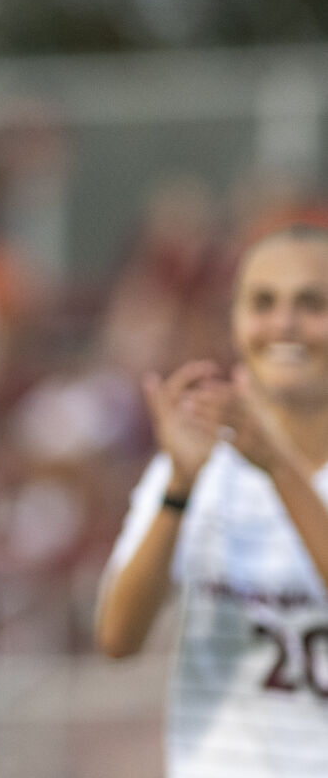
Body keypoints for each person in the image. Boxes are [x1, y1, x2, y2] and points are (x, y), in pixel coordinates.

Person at [96, 224, 328, 776]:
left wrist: (278, 469)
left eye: (312, 303)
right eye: (262, 302)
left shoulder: (259, 462)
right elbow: (117, 638)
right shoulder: (203, 463)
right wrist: (179, 485)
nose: (284, 324)